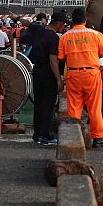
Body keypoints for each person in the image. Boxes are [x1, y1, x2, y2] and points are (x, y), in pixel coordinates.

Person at [58, 8, 103, 148]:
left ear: (72, 21)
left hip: (73, 74)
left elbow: (61, 57)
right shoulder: (95, 34)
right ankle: (98, 138)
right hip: (92, 74)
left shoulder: (65, 37)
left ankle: (76, 136)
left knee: (74, 107)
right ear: (85, 20)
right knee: (94, 107)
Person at [30, 10, 67, 145]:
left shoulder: (38, 30)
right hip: (48, 72)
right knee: (49, 105)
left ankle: (37, 134)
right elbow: (53, 60)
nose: (63, 28)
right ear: (58, 24)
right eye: (63, 25)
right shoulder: (53, 38)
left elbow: (27, 23)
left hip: (37, 70)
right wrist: (58, 79)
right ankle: (47, 135)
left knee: (38, 103)